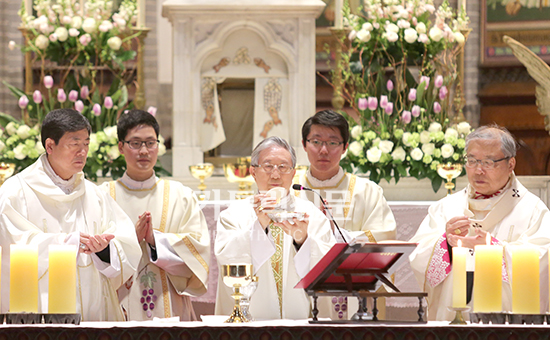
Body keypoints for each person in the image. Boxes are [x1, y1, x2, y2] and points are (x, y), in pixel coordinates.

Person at [0, 109, 141, 321]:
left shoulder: (95, 195)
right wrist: (65, 243)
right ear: (50, 146)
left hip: (94, 314)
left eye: (86, 144)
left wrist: (104, 251)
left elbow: (126, 245)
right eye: (74, 144)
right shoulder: (14, 193)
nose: (82, 152)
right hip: (41, 315)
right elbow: (12, 249)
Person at [409, 124, 550, 321]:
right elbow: (418, 255)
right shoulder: (446, 208)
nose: (478, 170)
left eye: (489, 162)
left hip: (506, 326)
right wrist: (446, 244)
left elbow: (544, 259)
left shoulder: (532, 210)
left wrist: (494, 249)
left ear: (511, 164)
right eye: (472, 160)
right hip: (451, 322)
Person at [101, 110, 210, 321]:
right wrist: (131, 239)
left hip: (170, 303)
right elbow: (94, 254)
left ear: (158, 147)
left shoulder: (181, 195)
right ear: (121, 147)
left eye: (150, 143)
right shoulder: (103, 196)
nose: (144, 150)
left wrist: (155, 241)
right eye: (135, 143)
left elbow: (199, 251)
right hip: (118, 304)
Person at [214, 136, 335, 320]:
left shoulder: (312, 215)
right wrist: (259, 226)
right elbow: (227, 262)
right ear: (253, 172)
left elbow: (329, 268)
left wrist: (302, 241)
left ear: (293, 173)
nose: (276, 175)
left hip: (302, 325)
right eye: (268, 166)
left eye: (283, 167)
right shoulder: (234, 215)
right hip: (249, 327)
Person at [298, 110, 396, 243]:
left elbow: (384, 235)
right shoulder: (290, 189)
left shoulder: (367, 191)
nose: (324, 150)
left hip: (349, 265)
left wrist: (336, 235)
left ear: (345, 147)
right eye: (316, 142)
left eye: (332, 143)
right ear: (304, 144)